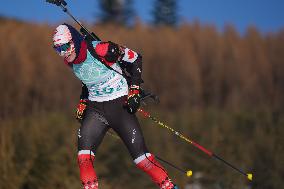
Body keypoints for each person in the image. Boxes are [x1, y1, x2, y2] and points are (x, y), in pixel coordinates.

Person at [52, 23, 178, 189]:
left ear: (73, 42)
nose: (63, 53)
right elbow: (88, 81)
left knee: (141, 160)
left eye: (65, 47)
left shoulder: (102, 49)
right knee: (84, 159)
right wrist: (83, 101)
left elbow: (136, 58)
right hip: (96, 109)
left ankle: (168, 186)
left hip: (119, 106)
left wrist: (134, 90)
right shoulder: (70, 61)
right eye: (57, 49)